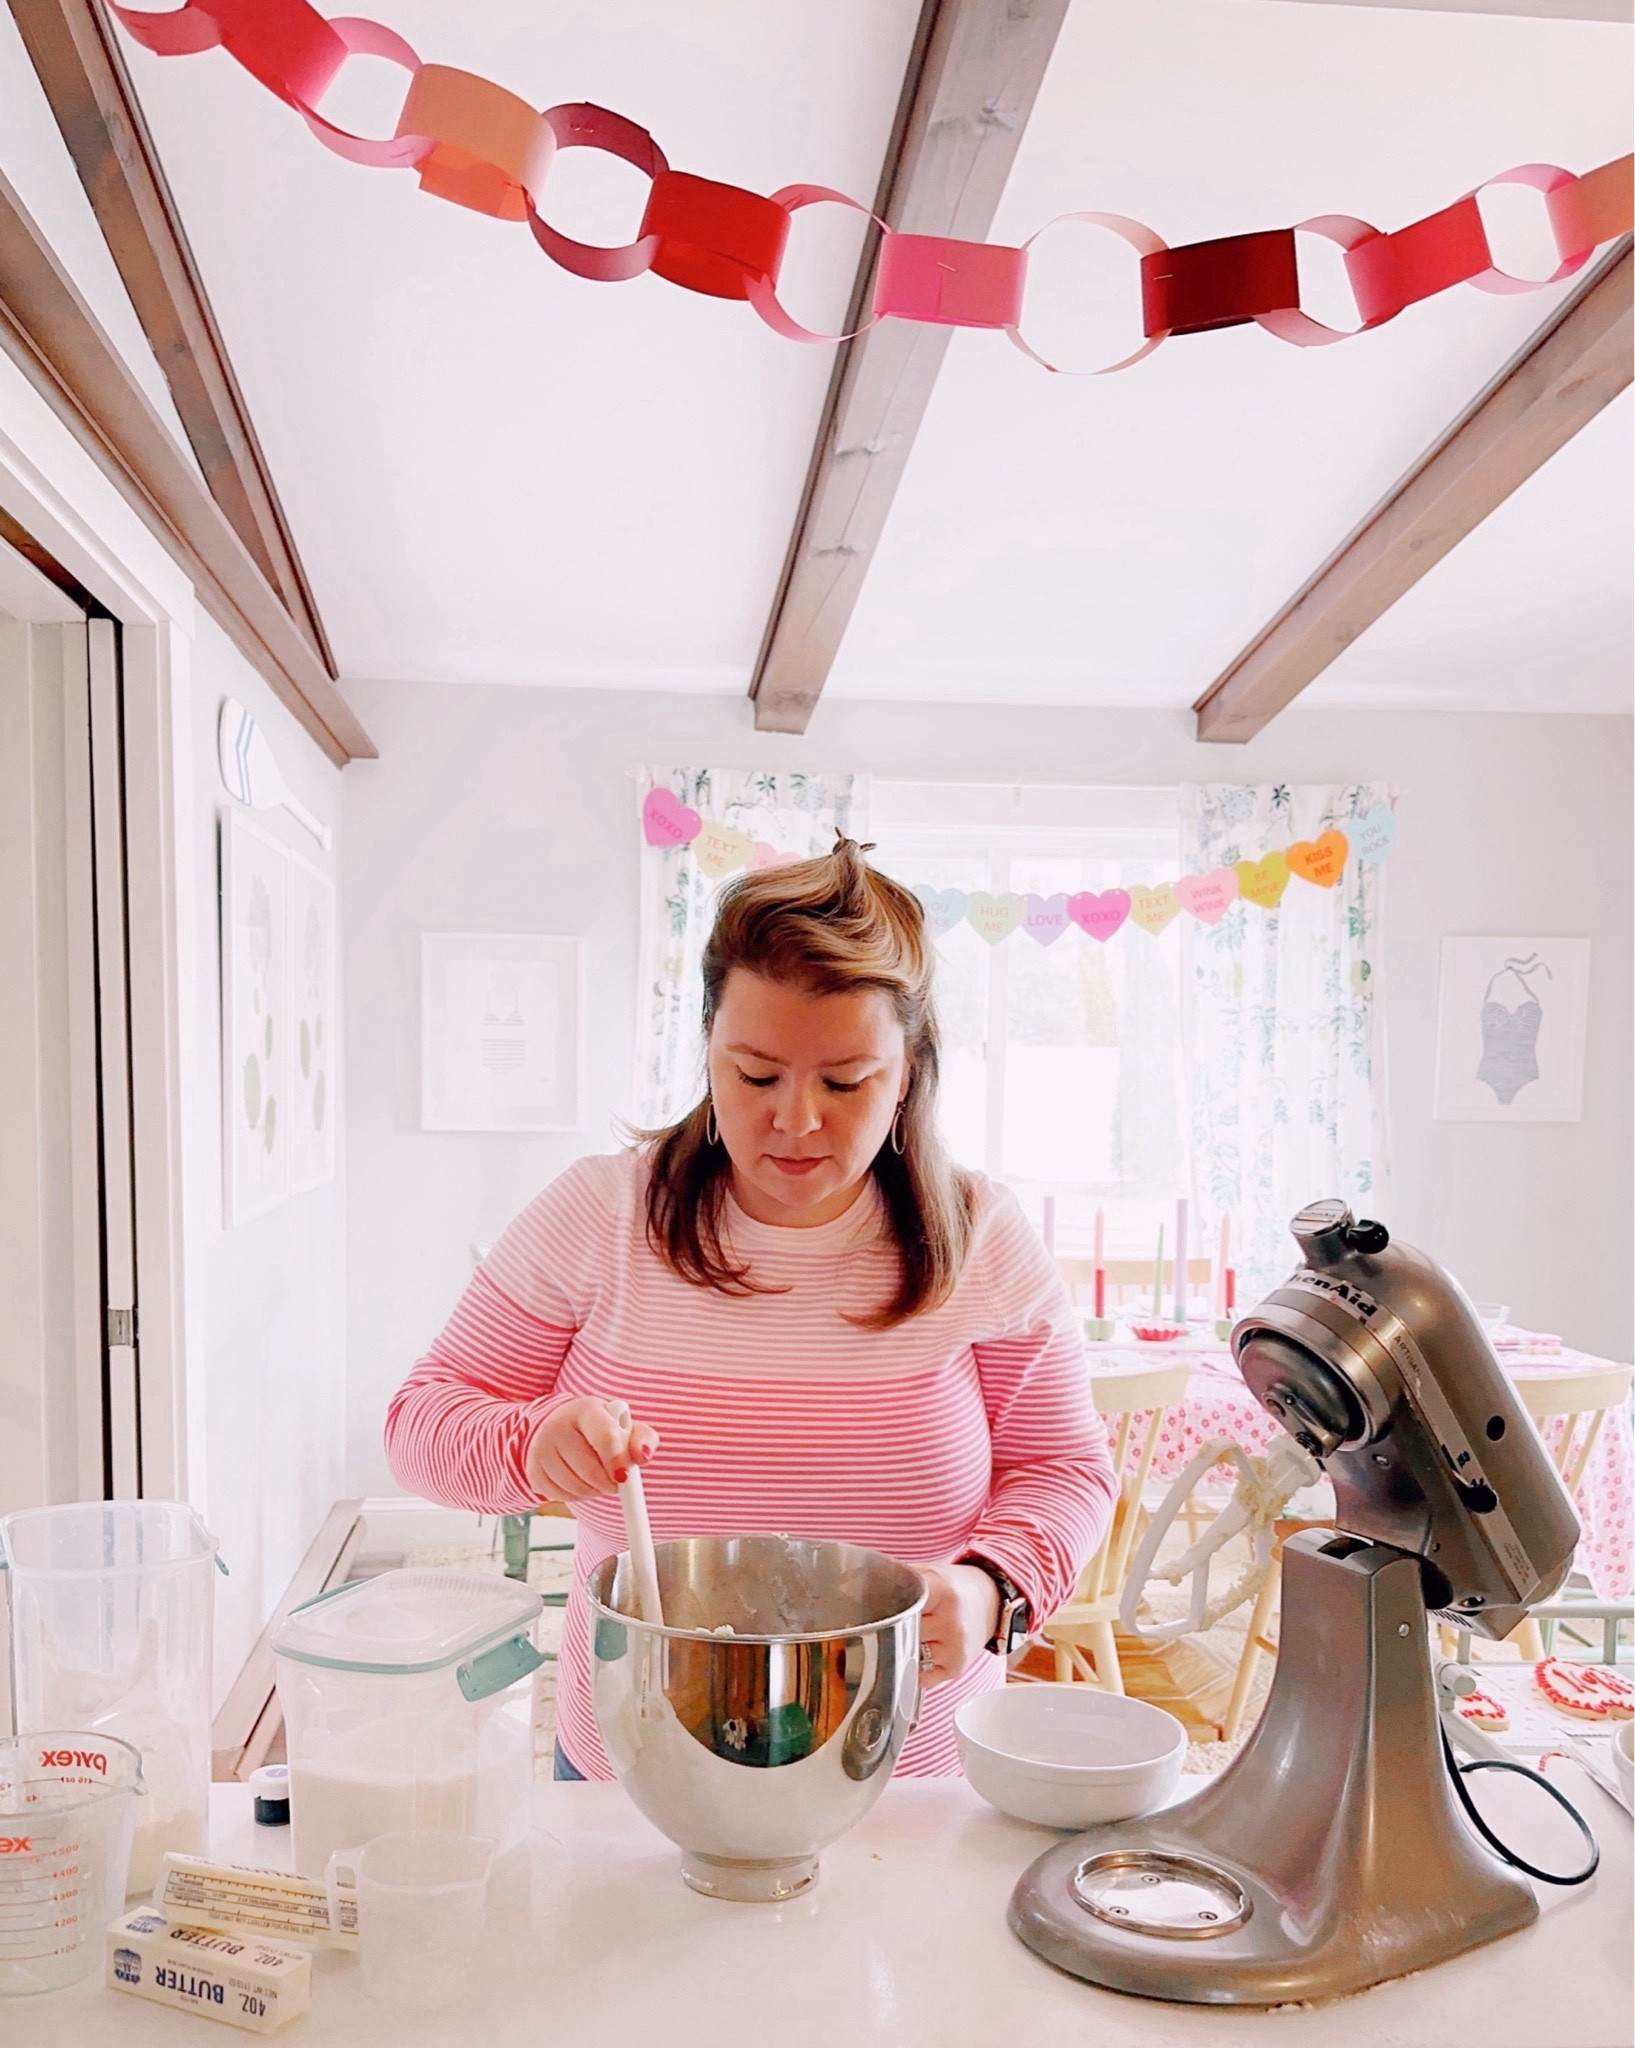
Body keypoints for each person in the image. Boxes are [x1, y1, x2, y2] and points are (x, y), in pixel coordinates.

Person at [386, 839, 1116, 1777]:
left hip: (910, 1770)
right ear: (707, 1053)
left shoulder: (981, 1236)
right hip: (638, 1767)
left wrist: (988, 1590)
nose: (797, 1120)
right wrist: (531, 1446)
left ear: (906, 1077)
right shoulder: (600, 1213)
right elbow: (419, 1425)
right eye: (757, 1074)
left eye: (846, 1081)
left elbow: (1063, 1467)